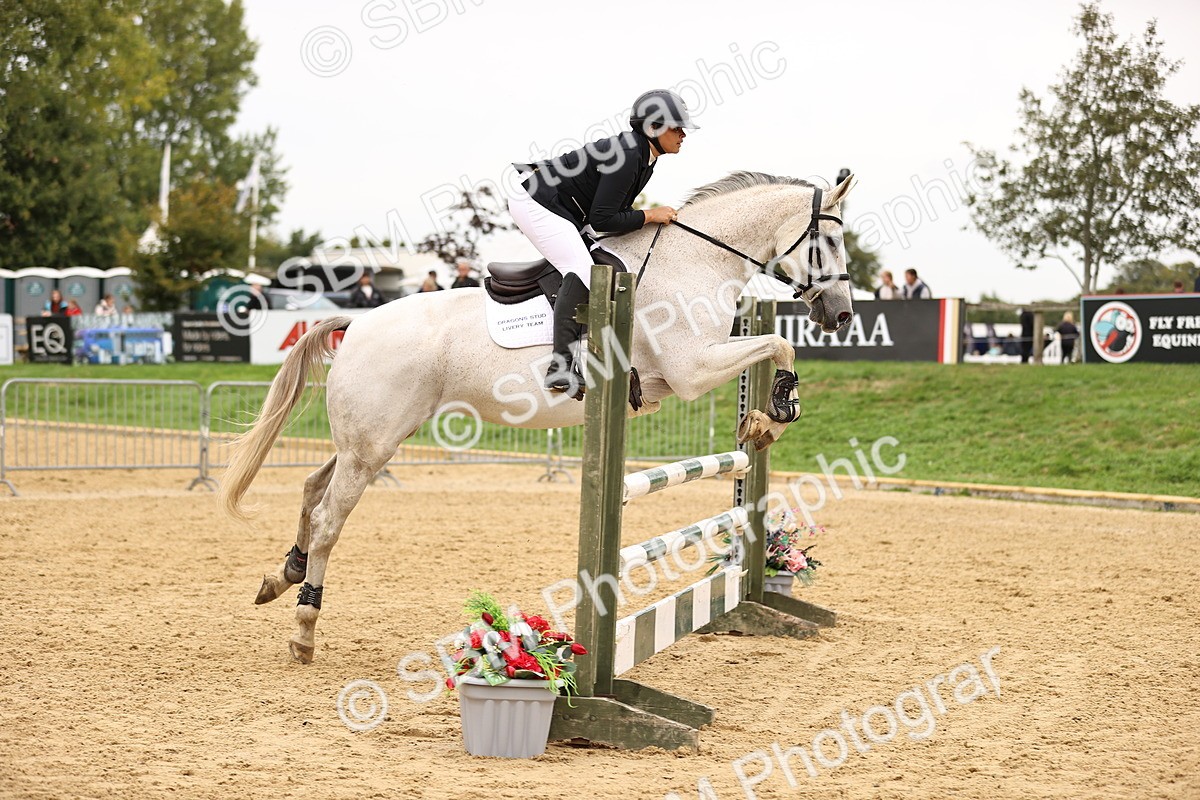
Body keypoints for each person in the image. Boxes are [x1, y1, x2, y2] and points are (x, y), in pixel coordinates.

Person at [509, 89, 696, 395]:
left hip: (563, 206)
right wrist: (650, 215)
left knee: (601, 258)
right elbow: (603, 219)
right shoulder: (629, 154)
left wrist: (646, 216)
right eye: (676, 127)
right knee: (582, 269)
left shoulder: (644, 155)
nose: (683, 134)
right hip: (536, 199)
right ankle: (561, 367)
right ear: (652, 128)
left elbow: (612, 215)